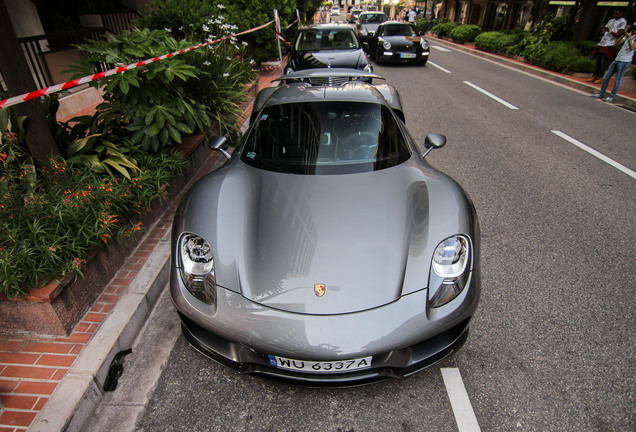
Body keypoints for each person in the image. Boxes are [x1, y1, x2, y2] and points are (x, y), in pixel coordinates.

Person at [590, 23, 636, 102]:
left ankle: (611, 96)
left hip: (625, 61)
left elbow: (632, 47)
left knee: (618, 79)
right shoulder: (628, 36)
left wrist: (629, 38)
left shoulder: (633, 38)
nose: (633, 30)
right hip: (617, 59)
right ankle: (601, 93)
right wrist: (623, 35)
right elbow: (616, 43)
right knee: (606, 77)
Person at [588, 9, 627, 84]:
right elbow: (606, 30)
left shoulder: (622, 21)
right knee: (598, 61)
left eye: (617, 13)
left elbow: (619, 34)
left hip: (610, 43)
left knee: (604, 61)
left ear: (621, 13)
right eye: (614, 13)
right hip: (602, 42)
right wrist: (603, 30)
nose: (615, 14)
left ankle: (600, 77)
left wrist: (609, 31)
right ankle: (594, 75)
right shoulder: (611, 21)